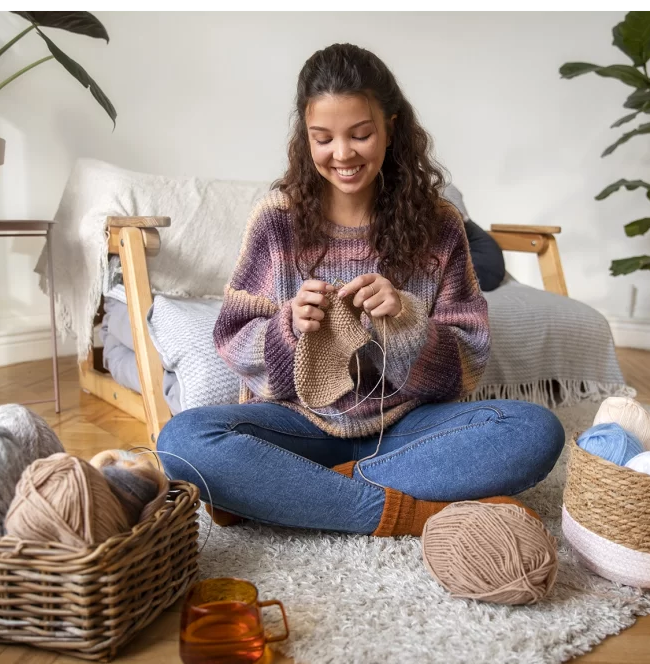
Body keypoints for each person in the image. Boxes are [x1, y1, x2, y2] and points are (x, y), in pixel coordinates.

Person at [157, 42, 564, 537]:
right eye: (322, 138)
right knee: (182, 442)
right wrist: (289, 329)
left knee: (534, 431)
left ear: (391, 127)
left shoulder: (440, 225)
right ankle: (407, 512)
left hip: (407, 431)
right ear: (305, 137)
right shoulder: (276, 220)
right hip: (299, 428)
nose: (342, 154)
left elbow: (466, 368)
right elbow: (233, 340)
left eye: (361, 134)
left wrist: (407, 322)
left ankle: (296, 492)